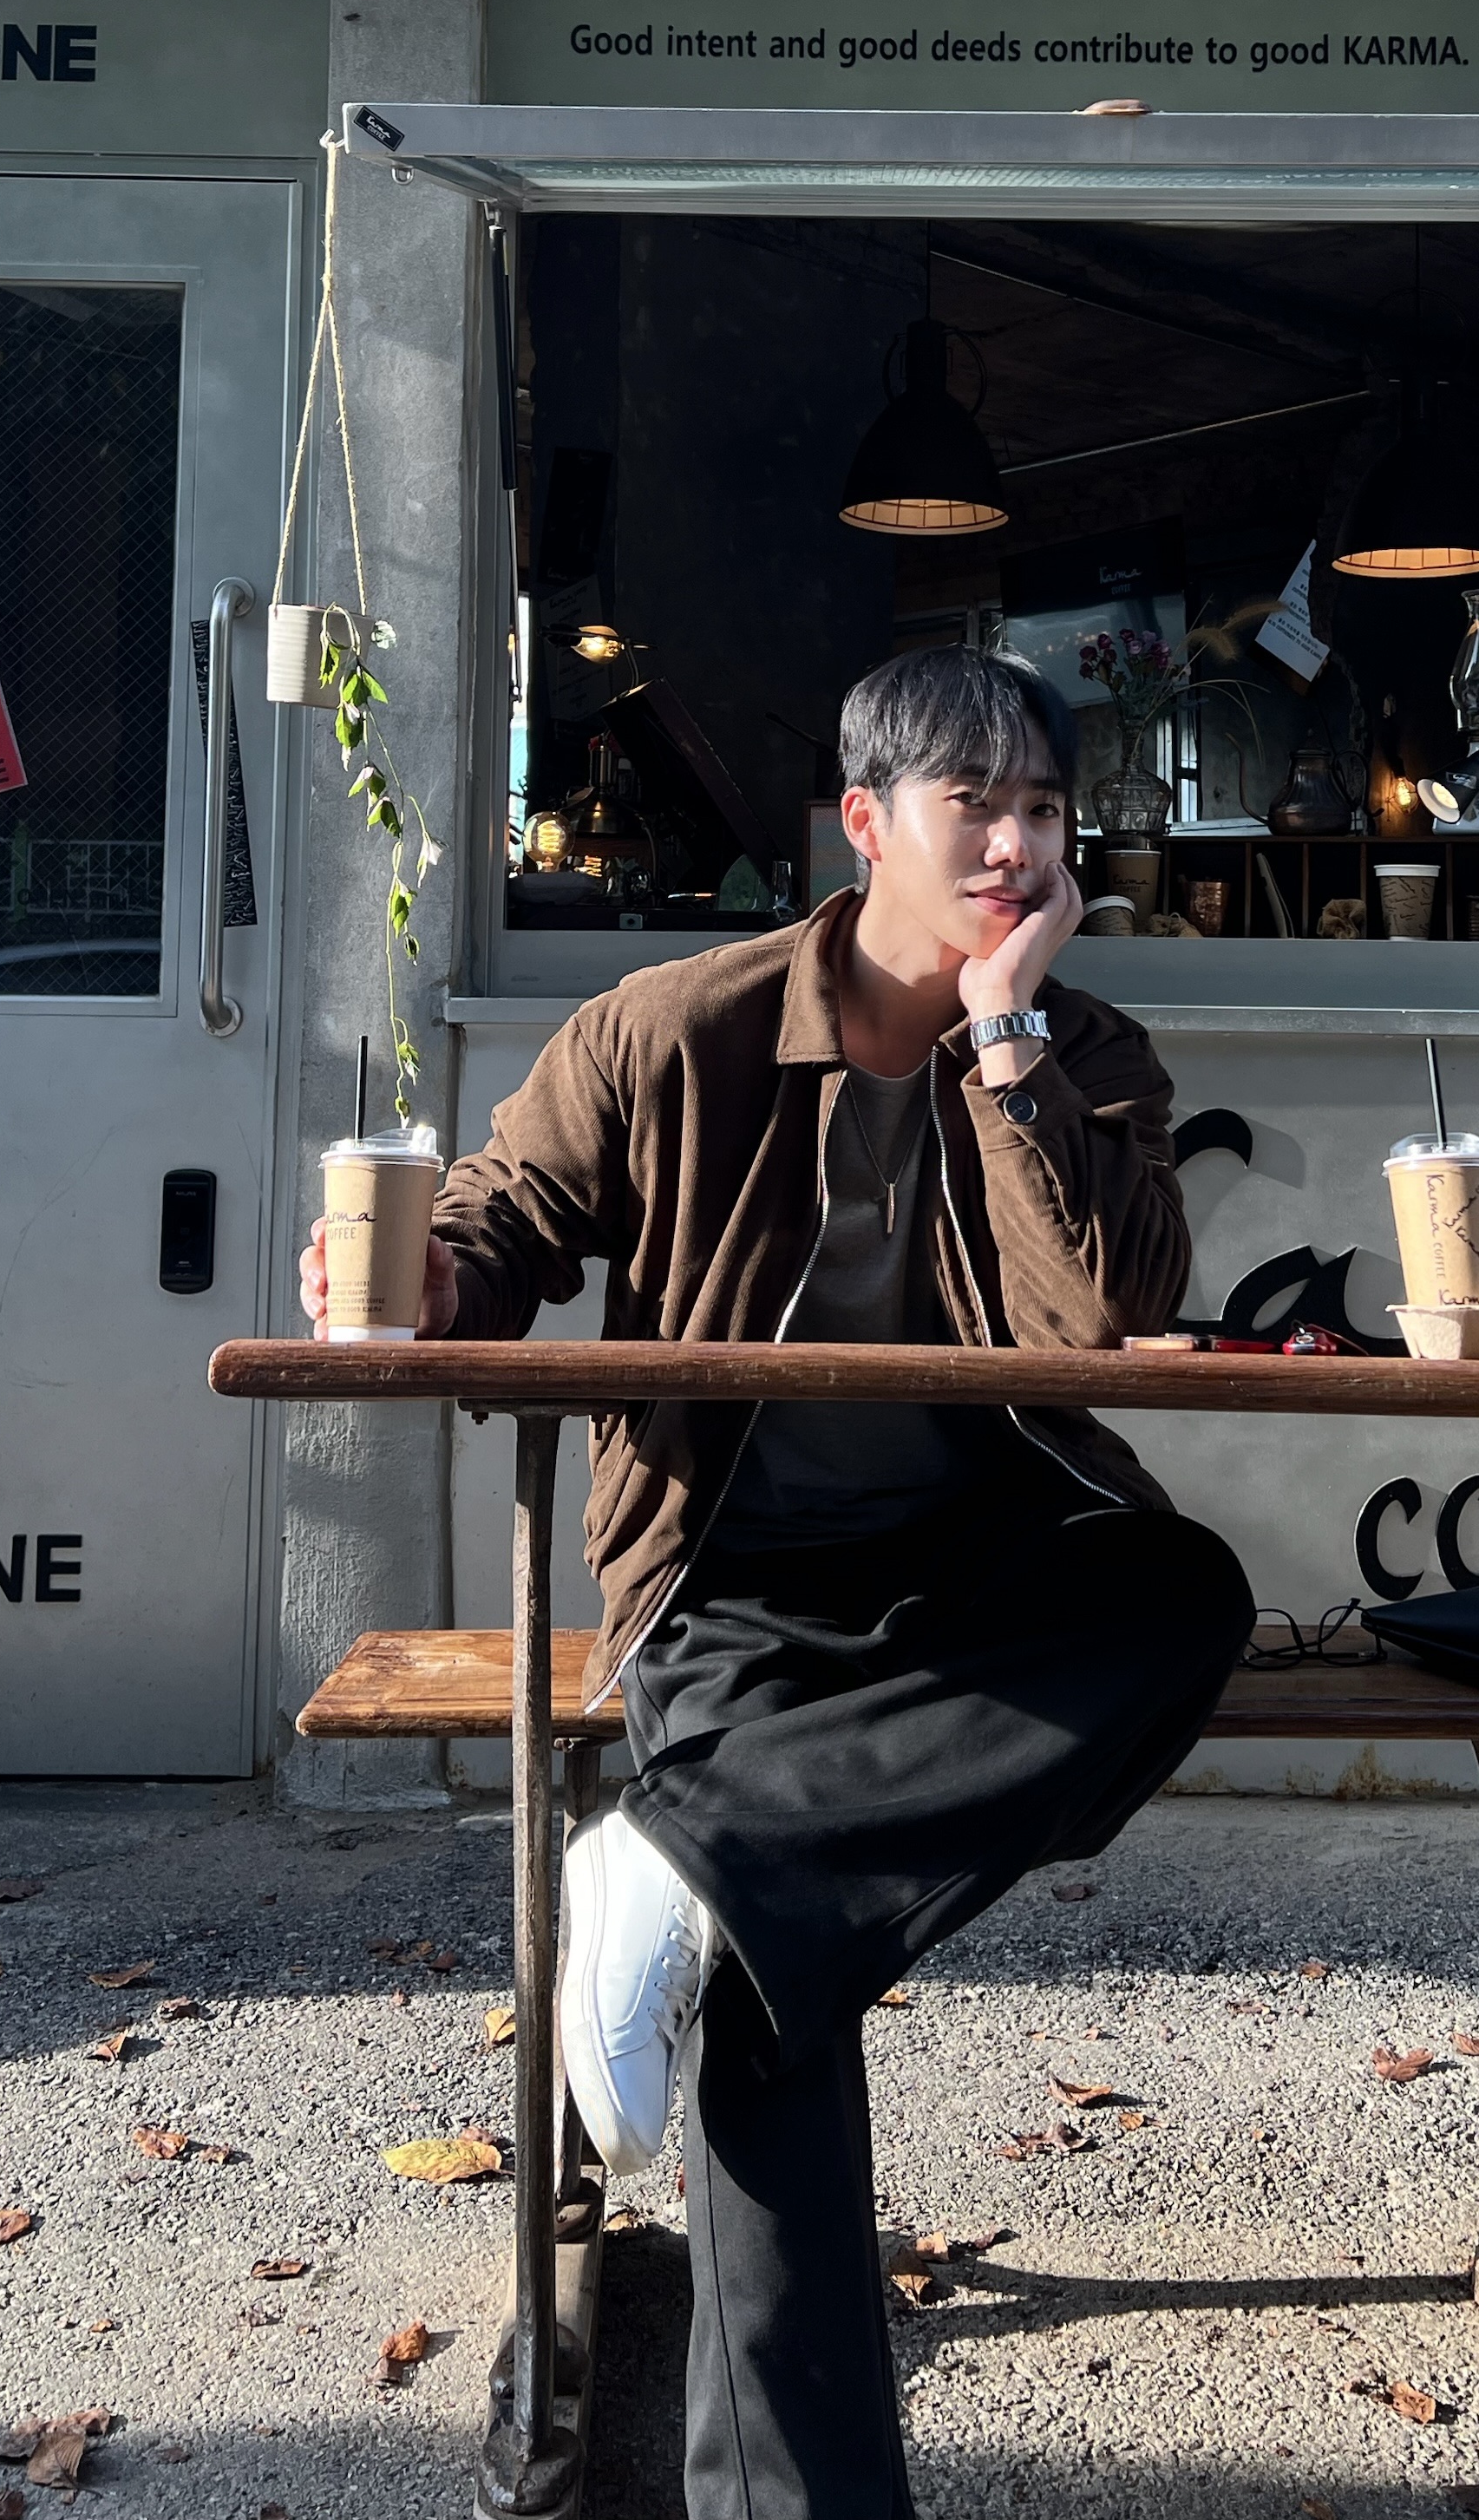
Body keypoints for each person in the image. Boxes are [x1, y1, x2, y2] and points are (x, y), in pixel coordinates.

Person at [299, 645, 1255, 2519]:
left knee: (1184, 1598)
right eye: (975, 803)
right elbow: (506, 1216)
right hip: (734, 1576)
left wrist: (1004, 1041)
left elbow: (1100, 1319)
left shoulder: (1086, 1055)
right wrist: (429, 1278)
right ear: (865, 822)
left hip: (987, 1568)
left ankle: (681, 1857)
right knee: (761, 1970)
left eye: (1045, 810)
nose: (1016, 844)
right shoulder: (677, 1029)